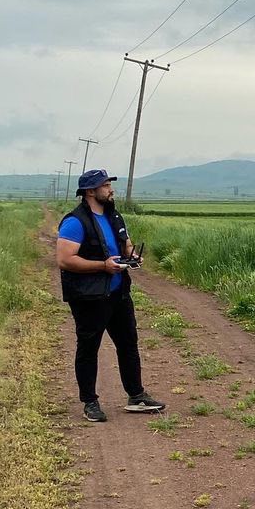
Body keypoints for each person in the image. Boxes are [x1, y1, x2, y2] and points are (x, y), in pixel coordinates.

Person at [56, 169, 165, 422]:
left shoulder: (114, 215)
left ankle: (136, 396)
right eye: (105, 185)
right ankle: (90, 402)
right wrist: (102, 266)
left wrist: (132, 256)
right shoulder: (75, 221)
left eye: (109, 184)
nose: (110, 189)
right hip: (89, 297)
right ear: (90, 192)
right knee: (88, 348)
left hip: (118, 293)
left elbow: (126, 244)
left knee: (128, 344)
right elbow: (64, 260)